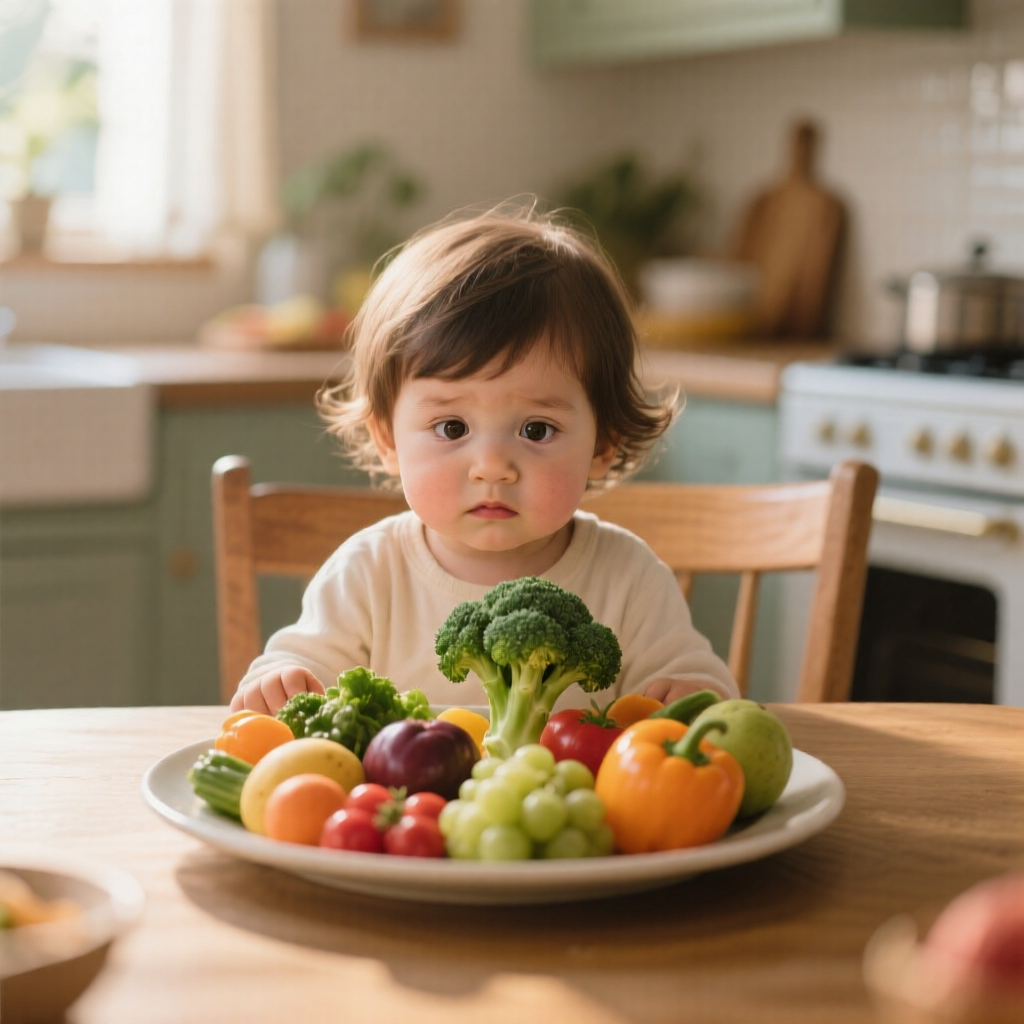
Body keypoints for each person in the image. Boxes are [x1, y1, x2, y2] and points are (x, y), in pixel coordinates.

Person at [230, 200, 738, 714]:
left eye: (536, 429)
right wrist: (281, 682)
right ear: (388, 440)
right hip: (403, 797)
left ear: (602, 446)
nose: (492, 465)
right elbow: (297, 667)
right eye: (452, 427)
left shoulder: (629, 576)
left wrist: (689, 689)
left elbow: (693, 678)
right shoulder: (369, 572)